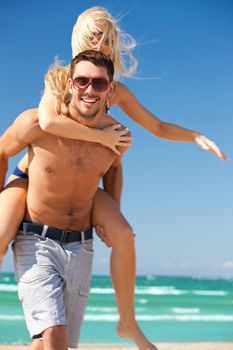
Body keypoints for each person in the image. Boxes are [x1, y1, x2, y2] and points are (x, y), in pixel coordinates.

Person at [0, 5, 227, 349]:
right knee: (1, 232)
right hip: (32, 173)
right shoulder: (60, 77)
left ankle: (128, 322)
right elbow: (46, 124)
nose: (100, 41)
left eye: (106, 36)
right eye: (93, 35)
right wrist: (104, 137)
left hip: (85, 181)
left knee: (122, 232)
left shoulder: (113, 91)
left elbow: (155, 128)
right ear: (78, 38)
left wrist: (194, 136)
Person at [0, 51, 158, 350]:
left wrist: (111, 214)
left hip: (81, 246)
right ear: (70, 83)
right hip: (36, 239)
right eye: (82, 81)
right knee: (55, 335)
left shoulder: (117, 137)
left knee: (47, 341)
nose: (89, 89)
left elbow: (113, 172)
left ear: (110, 89)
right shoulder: (36, 123)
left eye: (98, 84)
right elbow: (2, 152)